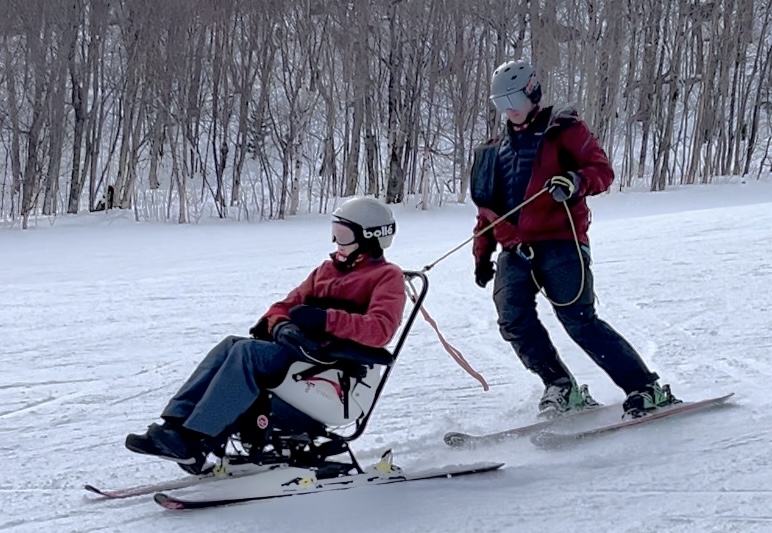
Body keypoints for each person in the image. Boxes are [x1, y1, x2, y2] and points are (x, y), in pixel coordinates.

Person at [125, 197, 406, 472]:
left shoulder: (387, 277)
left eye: (343, 234)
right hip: (302, 353)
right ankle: (176, 427)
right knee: (232, 344)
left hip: (334, 368)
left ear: (370, 237)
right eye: (335, 232)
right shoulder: (326, 270)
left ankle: (197, 439)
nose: (336, 242)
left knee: (247, 354)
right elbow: (284, 306)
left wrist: (326, 320)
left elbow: (380, 330)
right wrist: (278, 324)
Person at [470, 60, 679, 419]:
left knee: (579, 320)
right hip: (514, 250)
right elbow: (487, 212)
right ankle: (561, 387)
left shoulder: (564, 129)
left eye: (514, 98)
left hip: (560, 241)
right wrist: (481, 254)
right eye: (500, 101)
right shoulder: (491, 151)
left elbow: (601, 171)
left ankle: (645, 387)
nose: (509, 108)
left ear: (532, 93)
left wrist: (574, 181)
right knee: (513, 321)